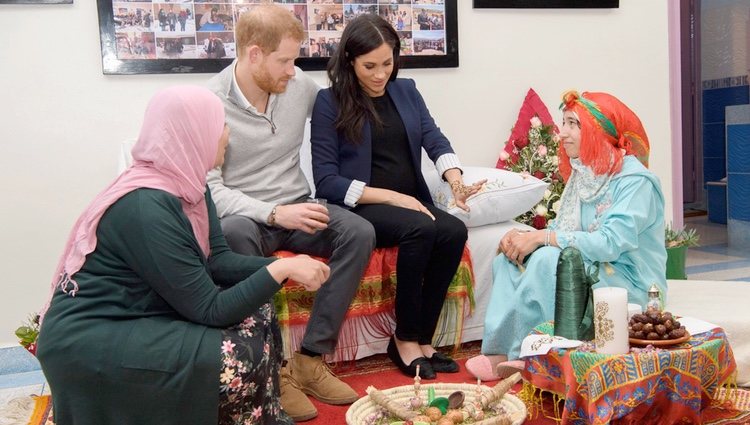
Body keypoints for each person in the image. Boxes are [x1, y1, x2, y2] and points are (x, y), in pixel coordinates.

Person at [36, 86, 331, 425]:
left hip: (137, 313)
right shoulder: (146, 206)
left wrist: (282, 265)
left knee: (259, 313)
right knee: (236, 352)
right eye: (219, 125)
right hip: (95, 337)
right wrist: (282, 270)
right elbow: (210, 309)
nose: (227, 135)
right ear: (192, 133)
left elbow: (217, 261)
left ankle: (265, 417)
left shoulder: (190, 184)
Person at [205, 4, 375, 422]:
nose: (292, 70)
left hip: (300, 205)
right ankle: (273, 369)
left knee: (358, 231)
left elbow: (345, 111)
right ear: (254, 55)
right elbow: (210, 190)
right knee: (236, 237)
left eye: (295, 59)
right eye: (285, 60)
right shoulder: (208, 102)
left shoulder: (298, 86)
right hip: (247, 215)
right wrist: (274, 212)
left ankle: (311, 359)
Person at [310, 14, 483, 380]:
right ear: (349, 61)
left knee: (453, 231)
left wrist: (455, 179)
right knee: (421, 228)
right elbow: (326, 181)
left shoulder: (407, 91)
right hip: (362, 208)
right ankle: (403, 340)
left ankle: (423, 338)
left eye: (387, 64)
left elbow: (434, 138)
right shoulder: (329, 102)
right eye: (369, 66)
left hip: (410, 203)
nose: (379, 74)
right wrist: (391, 198)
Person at [466, 90, 667, 381]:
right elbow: (563, 231)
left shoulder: (636, 182)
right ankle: (501, 351)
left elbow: (609, 243)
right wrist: (522, 238)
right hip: (589, 266)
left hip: (629, 283)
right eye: (565, 123)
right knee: (510, 259)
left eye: (574, 124)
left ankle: (537, 355)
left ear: (599, 132)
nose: (563, 133)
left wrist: (541, 238)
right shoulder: (585, 173)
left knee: (549, 260)